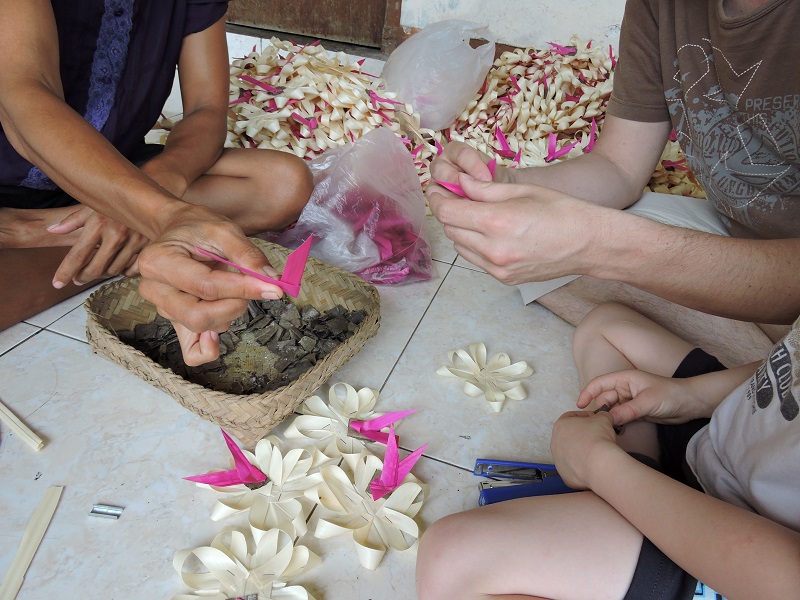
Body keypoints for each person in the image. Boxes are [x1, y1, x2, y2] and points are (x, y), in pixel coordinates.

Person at [427, 0, 800, 363]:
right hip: (737, 239)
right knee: (545, 250)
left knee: (579, 254)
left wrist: (599, 245)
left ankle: (749, 381)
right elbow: (619, 165)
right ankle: (754, 378)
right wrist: (503, 185)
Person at [0, 1, 313, 366]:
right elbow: (23, 93)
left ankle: (51, 231)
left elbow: (205, 111)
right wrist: (163, 216)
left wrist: (153, 189)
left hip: (120, 171)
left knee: (280, 184)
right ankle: (130, 246)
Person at [416, 302, 800, 599]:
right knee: (605, 329)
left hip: (743, 561)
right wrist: (693, 396)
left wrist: (598, 464)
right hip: (729, 438)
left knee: (450, 560)